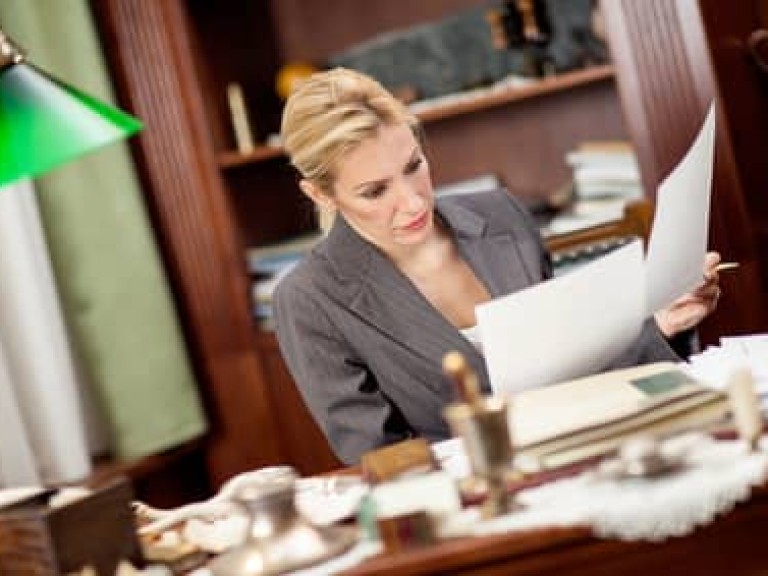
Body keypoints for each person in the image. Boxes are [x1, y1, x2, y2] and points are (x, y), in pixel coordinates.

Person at [274, 68, 722, 466]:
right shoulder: (310, 300)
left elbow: (576, 366)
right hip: (479, 504)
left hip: (596, 454)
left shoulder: (502, 214)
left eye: (414, 166)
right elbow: (384, 461)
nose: (412, 201)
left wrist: (661, 324)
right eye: (375, 192)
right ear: (321, 195)